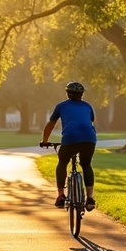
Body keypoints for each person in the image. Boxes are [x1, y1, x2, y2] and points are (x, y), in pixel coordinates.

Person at [40, 81, 97, 211]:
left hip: (70, 138)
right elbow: (89, 122)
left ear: (67, 93)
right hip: (89, 138)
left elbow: (50, 125)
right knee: (86, 164)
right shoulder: (88, 106)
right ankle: (90, 198)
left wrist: (44, 141)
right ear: (82, 94)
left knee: (62, 162)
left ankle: (60, 196)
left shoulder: (61, 106)